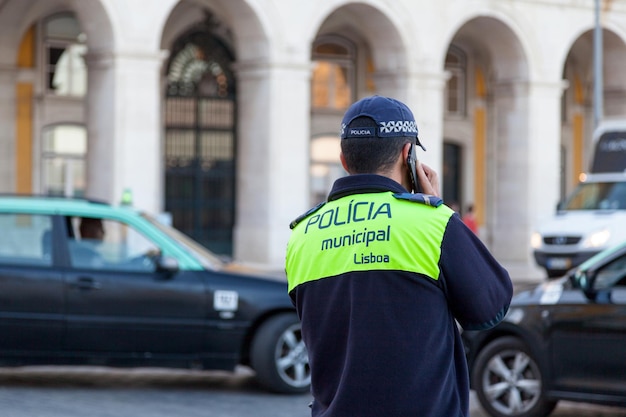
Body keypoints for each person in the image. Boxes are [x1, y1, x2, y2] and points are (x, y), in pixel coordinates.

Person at [285, 95, 512, 417]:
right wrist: (441, 209)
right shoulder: (432, 223)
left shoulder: (303, 235)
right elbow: (491, 306)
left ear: (345, 160)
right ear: (409, 156)